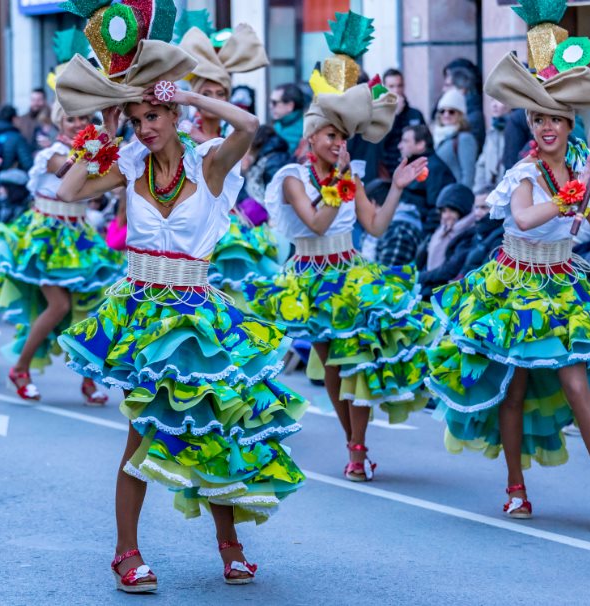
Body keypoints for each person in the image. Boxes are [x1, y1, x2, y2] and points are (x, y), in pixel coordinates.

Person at [53, 31, 305, 591]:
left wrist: (190, 97)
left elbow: (248, 126)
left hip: (197, 316)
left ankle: (230, 543)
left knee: (210, 427)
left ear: (171, 113)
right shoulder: (129, 164)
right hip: (141, 315)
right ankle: (126, 553)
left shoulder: (207, 166)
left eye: (153, 116)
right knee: (142, 429)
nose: (146, 128)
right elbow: (70, 191)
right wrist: (100, 136)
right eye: (138, 118)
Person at [427, 51, 590, 531]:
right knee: (512, 389)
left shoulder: (580, 166)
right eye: (538, 118)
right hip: (515, 287)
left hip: (561, 286)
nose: (546, 127)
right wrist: (570, 194)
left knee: (578, 385)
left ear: (570, 121)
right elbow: (523, 218)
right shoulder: (524, 173)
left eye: (555, 118)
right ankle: (516, 488)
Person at [246, 12, 434, 484]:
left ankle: (357, 447)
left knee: (355, 362)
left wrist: (397, 187)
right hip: (310, 276)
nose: (337, 143)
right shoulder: (291, 177)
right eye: (330, 135)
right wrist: (340, 183)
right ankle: (353, 444)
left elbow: (373, 224)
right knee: (330, 363)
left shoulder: (351, 176)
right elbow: (315, 220)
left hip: (349, 272)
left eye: (342, 136)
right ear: (311, 137)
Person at [0, 98, 124, 404]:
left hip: (80, 238)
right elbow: (68, 173)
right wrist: (103, 145)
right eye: (71, 119)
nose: (77, 124)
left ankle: (87, 380)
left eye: (84, 119)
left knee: (87, 310)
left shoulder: (95, 154)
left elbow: (104, 182)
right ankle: (20, 369)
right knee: (57, 307)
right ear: (59, 122)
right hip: (48, 237)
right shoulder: (53, 154)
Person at [179, 23, 279, 304]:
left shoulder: (235, 135)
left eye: (220, 94)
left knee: (241, 304)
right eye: (206, 94)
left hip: (233, 229)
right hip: (194, 229)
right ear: (196, 96)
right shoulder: (181, 134)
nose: (213, 100)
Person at [418, 183, 478, 294]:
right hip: (431, 286)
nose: (446, 216)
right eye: (444, 211)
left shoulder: (469, 234)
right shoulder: (441, 231)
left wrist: (420, 277)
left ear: (462, 210)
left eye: (451, 211)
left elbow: (450, 270)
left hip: (447, 292)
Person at [398, 123, 456, 235]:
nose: (400, 146)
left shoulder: (435, 169)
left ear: (420, 144)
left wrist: (424, 239)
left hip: (417, 233)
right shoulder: (413, 165)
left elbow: (435, 210)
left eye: (405, 141)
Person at [379, 68, 425, 177]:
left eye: (399, 86)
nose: (396, 90)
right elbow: (380, 144)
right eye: (391, 86)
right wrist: (395, 116)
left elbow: (425, 141)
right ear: (384, 89)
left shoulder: (415, 114)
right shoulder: (378, 115)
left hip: (413, 170)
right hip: (389, 172)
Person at [434, 88, 479, 187]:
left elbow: (468, 174)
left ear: (460, 114)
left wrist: (462, 198)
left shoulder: (465, 138)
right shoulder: (437, 137)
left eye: (451, 111)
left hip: (455, 195)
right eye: (442, 111)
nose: (446, 115)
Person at [472, 98, 509, 198]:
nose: (494, 105)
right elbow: (482, 164)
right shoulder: (492, 130)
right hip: (490, 194)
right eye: (492, 100)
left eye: (498, 100)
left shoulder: (517, 131)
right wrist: (479, 193)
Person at [270, 83, 306, 158]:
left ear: (290, 106)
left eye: (274, 103)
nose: (270, 106)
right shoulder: (278, 124)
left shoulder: (305, 130)